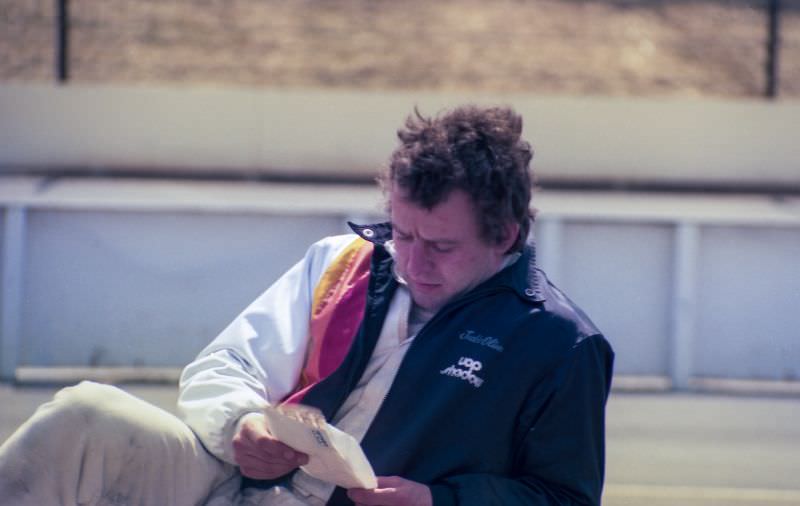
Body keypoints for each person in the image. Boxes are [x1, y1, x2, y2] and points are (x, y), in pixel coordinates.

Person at [0, 105, 614, 506]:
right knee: (83, 414)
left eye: (442, 246)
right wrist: (242, 424)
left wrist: (437, 500)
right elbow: (223, 368)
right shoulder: (341, 260)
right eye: (401, 233)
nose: (412, 261)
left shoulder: (561, 345)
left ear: (505, 235)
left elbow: (564, 498)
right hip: (232, 488)